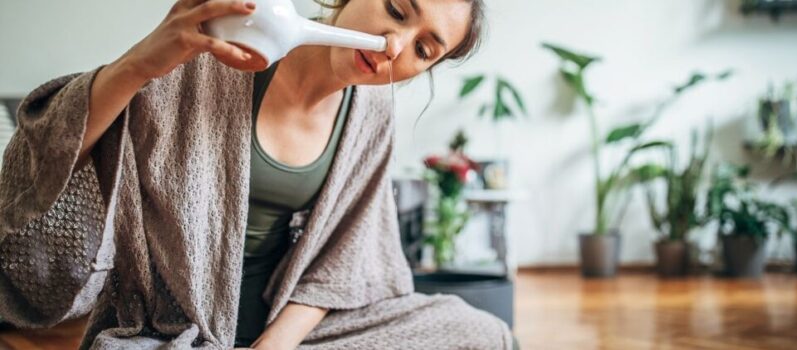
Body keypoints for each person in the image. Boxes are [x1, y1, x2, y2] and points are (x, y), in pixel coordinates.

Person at [0, 0, 517, 349]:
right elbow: (44, 164)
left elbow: (344, 260)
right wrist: (140, 64)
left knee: (479, 332)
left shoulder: (372, 113)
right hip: (171, 327)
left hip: (291, 330)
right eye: (397, 9)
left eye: (424, 50)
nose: (393, 46)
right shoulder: (215, 55)